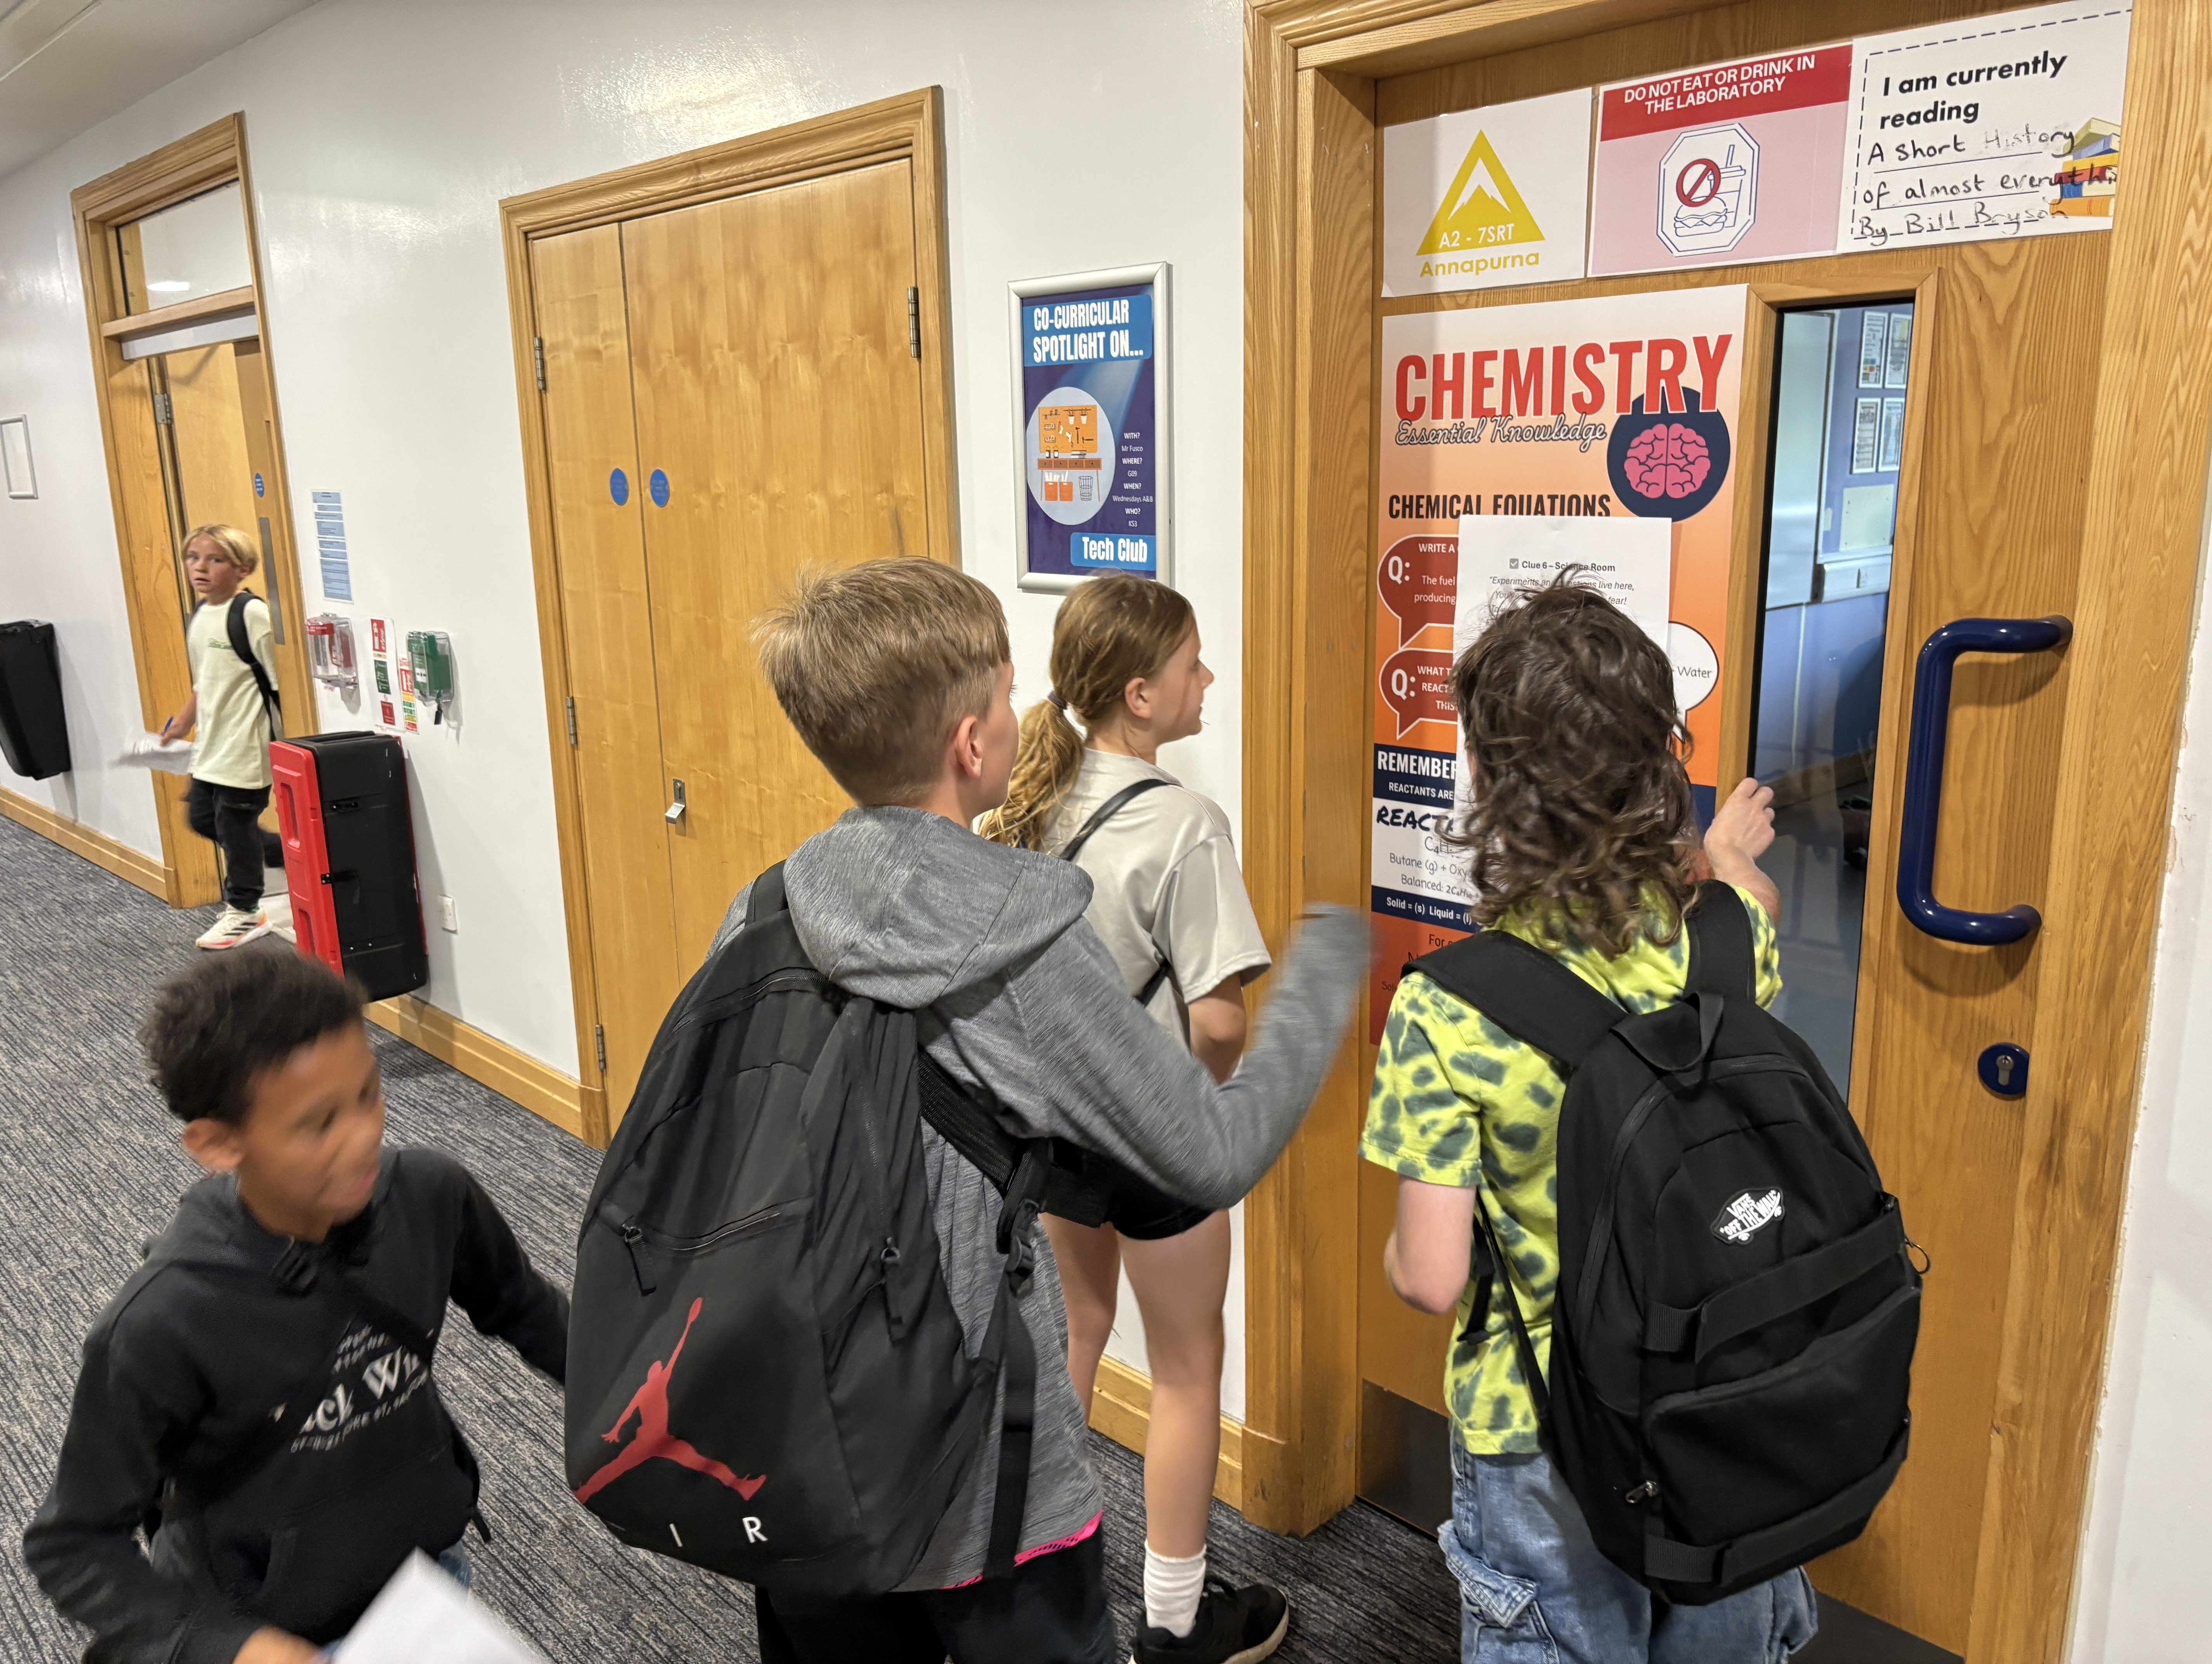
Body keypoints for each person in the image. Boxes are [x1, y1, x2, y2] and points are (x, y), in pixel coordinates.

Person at [727, 558, 1364, 1664]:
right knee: (1166, 1376)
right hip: (973, 1452)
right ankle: (1177, 1623)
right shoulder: (1019, 933)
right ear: (969, 742)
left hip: (815, 1419)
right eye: (1006, 688)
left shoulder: (768, 903)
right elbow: (1212, 1141)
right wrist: (1330, 967)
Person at [1363, 580, 1817, 1664]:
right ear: (1661, 760)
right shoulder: (1729, 941)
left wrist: (1394, 1252)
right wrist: (1722, 857)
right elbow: (1748, 913)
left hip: (1542, 1426)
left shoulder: (1448, 1008)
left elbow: (1430, 1277)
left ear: (1488, 779)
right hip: (1718, 1391)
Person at [24, 947, 569, 1664]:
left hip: (423, 1589)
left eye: (369, 1093)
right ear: (217, 1144)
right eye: (318, 1125)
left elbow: (528, 1310)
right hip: (259, 1629)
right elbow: (72, 1546)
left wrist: (646, 1393)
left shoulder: (429, 1195)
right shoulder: (162, 1322)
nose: (365, 1136)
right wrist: (229, 1647)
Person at [979, 576, 1278, 1664]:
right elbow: (1220, 1021)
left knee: (1080, 1327)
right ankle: (1177, 1623)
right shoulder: (1186, 824)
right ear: (1141, 695)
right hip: (1155, 1139)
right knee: (1189, 1370)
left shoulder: (1028, 801)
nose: (1211, 678)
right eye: (1195, 664)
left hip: (1058, 1133)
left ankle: (1026, 1571)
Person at [161, 523, 282, 951]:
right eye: (193, 558)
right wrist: (183, 723)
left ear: (243, 568)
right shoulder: (200, 613)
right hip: (212, 745)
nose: (200, 568)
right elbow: (206, 681)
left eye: (215, 560)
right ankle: (289, 856)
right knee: (202, 818)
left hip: (247, 745)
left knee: (235, 825)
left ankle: (245, 911)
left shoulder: (252, 615)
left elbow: (282, 683)